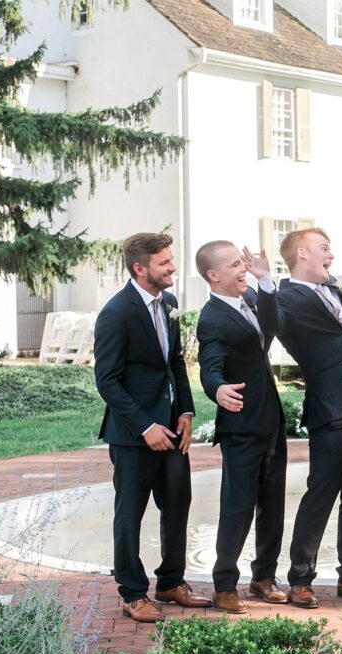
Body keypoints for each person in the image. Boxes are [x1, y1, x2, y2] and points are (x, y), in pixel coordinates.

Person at [245, 228, 342, 608]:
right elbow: (271, 321)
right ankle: (300, 579)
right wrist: (263, 281)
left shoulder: (332, 291)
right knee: (320, 496)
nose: (332, 255)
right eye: (325, 248)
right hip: (331, 411)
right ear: (303, 253)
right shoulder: (285, 298)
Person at [93, 232, 211, 623]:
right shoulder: (116, 312)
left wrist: (187, 412)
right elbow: (107, 380)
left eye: (171, 260)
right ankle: (131, 592)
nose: (173, 267)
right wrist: (146, 426)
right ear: (140, 269)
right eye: (164, 263)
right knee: (130, 514)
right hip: (133, 435)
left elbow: (175, 361)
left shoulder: (170, 303)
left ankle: (170, 582)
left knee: (178, 505)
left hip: (173, 428)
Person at [195, 240, 287, 614]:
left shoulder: (246, 302)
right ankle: (224, 586)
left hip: (270, 420)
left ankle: (264, 577)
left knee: (273, 505)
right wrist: (216, 389)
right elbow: (209, 364)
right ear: (213, 275)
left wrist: (266, 281)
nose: (242, 269)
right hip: (242, 427)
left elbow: (272, 327)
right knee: (238, 508)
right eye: (235, 265)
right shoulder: (212, 316)